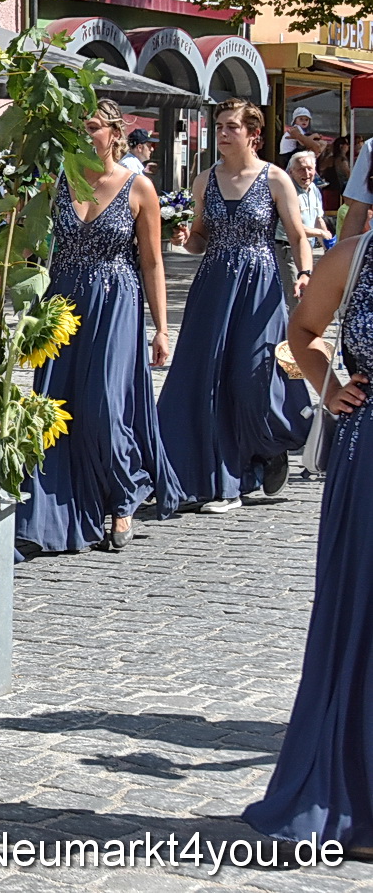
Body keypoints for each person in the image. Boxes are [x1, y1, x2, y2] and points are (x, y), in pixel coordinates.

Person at [243, 230, 373, 859]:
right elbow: (302, 333)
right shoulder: (354, 256)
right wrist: (330, 387)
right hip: (368, 456)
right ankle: (354, 798)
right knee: (362, 617)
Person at [17, 102, 180, 555]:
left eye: (91, 128)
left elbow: (152, 262)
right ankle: (58, 509)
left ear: (114, 133)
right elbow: (29, 244)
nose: (84, 136)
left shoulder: (138, 187)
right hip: (63, 302)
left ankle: (123, 496)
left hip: (116, 302)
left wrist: (162, 328)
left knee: (105, 404)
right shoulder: (56, 184)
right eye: (77, 129)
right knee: (55, 404)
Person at [159, 99, 314, 512]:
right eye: (219, 126)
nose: (223, 133)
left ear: (252, 134)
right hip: (213, 285)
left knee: (255, 376)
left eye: (231, 127)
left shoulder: (275, 178)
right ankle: (230, 477)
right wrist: (180, 239)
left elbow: (298, 235)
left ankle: (272, 444)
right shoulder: (204, 179)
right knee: (209, 378)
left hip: (260, 287)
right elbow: (198, 239)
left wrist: (305, 274)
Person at [278, 151, 332, 309]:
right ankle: (293, 332)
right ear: (291, 171)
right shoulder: (287, 192)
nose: (307, 173)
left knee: (307, 291)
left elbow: (318, 219)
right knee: (295, 294)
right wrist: (320, 233)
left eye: (310, 169)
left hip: (306, 248)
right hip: (285, 248)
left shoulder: (314, 189)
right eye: (301, 169)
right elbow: (292, 227)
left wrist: (327, 246)